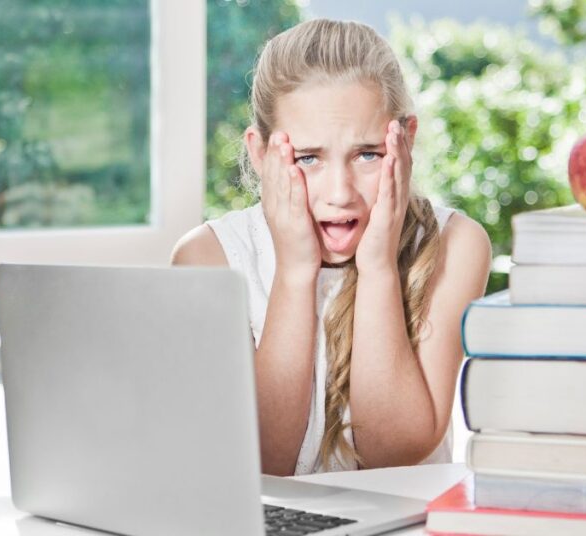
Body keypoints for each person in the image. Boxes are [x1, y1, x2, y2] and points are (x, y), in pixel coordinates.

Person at [171, 18, 490, 476]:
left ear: (407, 140)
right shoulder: (208, 258)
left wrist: (378, 267)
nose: (339, 192)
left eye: (367, 155)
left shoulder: (455, 244)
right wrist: (296, 272)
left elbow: (393, 456)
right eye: (307, 158)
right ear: (260, 154)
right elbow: (260, 462)